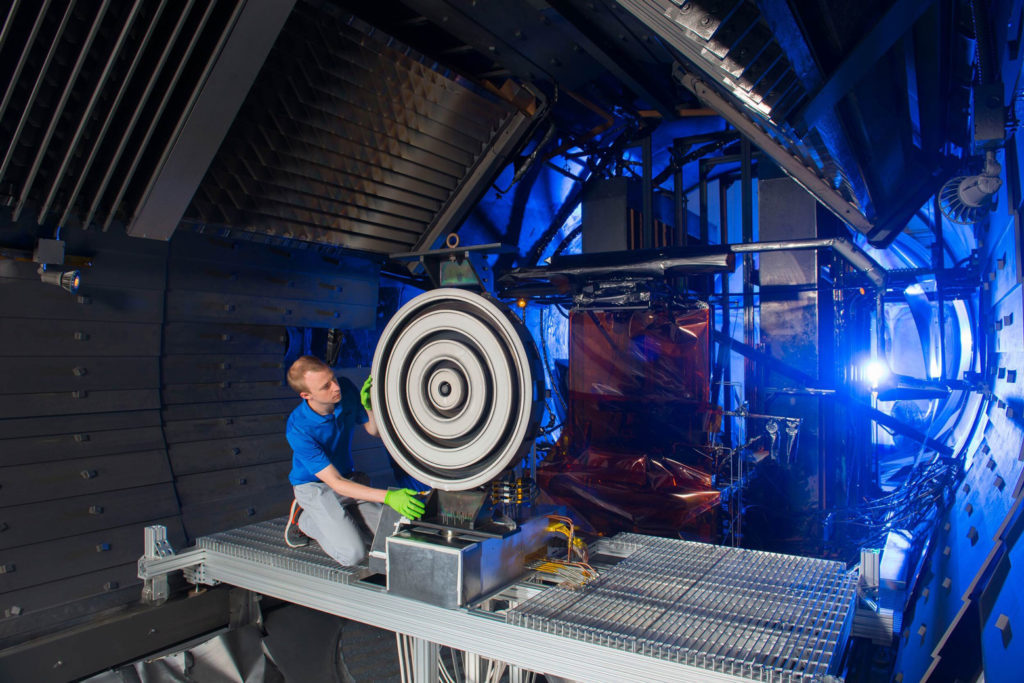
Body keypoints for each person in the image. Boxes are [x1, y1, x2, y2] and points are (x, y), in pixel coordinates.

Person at [283, 355, 425, 565]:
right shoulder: (299, 429)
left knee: (391, 536)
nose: (335, 387)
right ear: (306, 395)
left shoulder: (345, 390)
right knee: (353, 554)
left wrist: (369, 404)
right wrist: (388, 497)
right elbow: (335, 483)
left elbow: (374, 430)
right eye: (325, 386)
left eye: (333, 378)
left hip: (347, 481)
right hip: (317, 488)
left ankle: (337, 519)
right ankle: (304, 520)